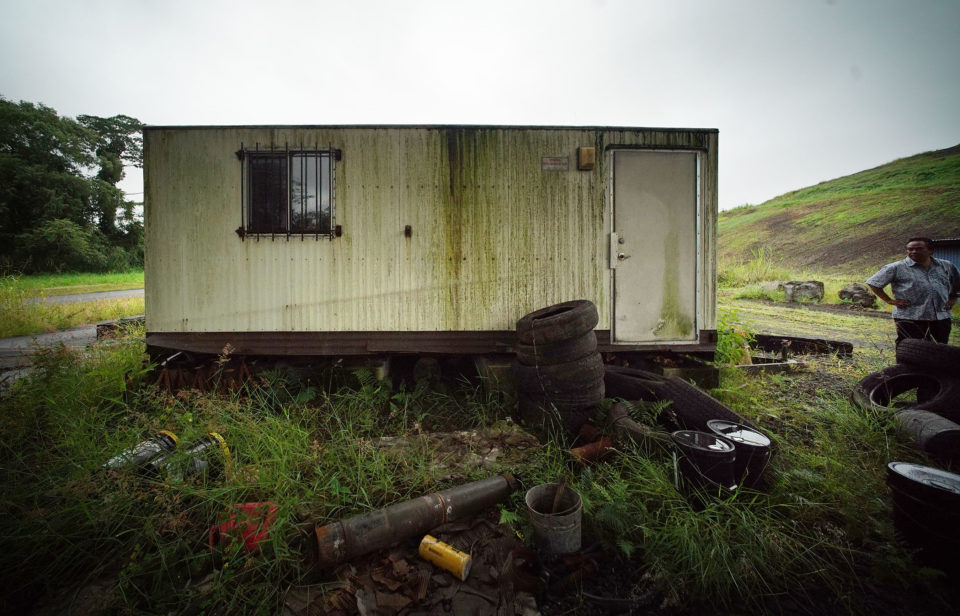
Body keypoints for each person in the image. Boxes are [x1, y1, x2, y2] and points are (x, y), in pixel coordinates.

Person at [866, 236, 960, 345]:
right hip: (910, 316)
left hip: (940, 315)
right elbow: (873, 283)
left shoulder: (946, 265)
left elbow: (957, 283)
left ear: (930, 250)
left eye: (919, 249)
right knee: (909, 347)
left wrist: (953, 297)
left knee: (940, 346)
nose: (914, 251)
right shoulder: (896, 267)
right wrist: (889, 301)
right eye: (910, 249)